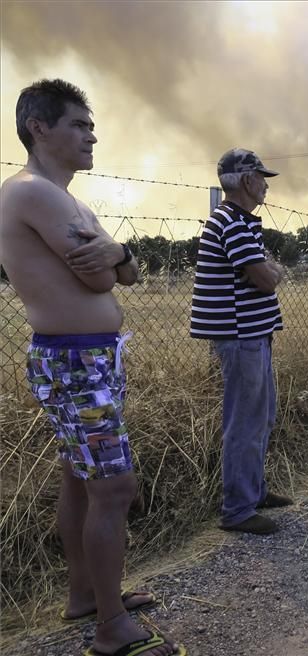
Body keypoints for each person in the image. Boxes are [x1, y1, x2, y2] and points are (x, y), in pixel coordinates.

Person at [0, 79, 185, 656]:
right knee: (114, 486)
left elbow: (124, 268)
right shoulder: (34, 193)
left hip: (86, 357)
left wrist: (121, 256)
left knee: (82, 479)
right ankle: (109, 627)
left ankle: (88, 596)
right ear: (40, 127)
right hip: (77, 359)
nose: (92, 135)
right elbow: (101, 276)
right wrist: (117, 260)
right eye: (79, 124)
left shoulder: (67, 198)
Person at [190, 148, 293, 535]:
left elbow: (261, 271)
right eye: (262, 178)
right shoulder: (231, 223)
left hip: (251, 334)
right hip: (241, 336)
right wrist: (269, 270)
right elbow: (264, 277)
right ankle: (238, 509)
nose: (266, 185)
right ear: (247, 180)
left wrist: (265, 269)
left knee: (259, 418)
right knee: (245, 422)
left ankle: (252, 493)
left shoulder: (238, 221)